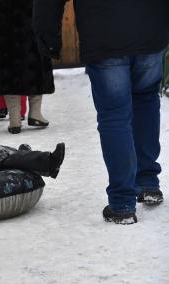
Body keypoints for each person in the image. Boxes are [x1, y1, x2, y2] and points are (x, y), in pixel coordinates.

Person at [33, 0, 169, 224]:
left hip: (104, 34)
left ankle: (123, 202)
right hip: (150, 29)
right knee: (146, 100)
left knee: (115, 116)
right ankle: (148, 182)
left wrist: (47, 35)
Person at [0, 0, 54, 134]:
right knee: (36, 63)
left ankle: (14, 120)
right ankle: (35, 113)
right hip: (30, 17)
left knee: (7, 67)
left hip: (2, 20)